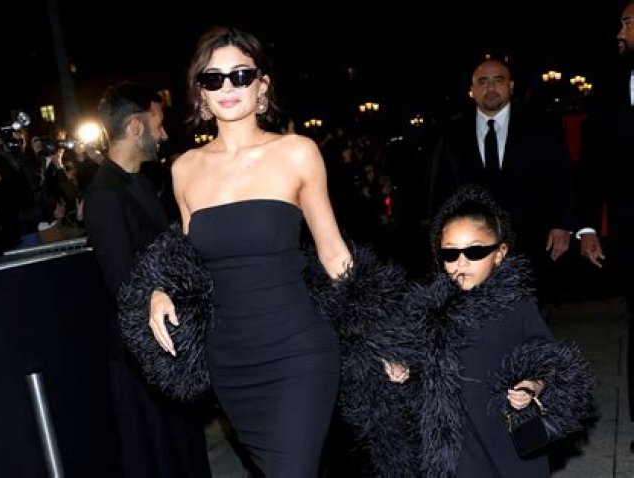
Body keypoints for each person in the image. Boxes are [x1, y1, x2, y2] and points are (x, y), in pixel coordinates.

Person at [121, 27, 353, 477]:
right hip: (230, 359)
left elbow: (333, 254)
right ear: (200, 92)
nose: (228, 87)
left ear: (262, 85)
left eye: (241, 75)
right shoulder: (185, 168)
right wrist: (158, 289)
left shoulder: (297, 153)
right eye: (214, 78)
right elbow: (189, 260)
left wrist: (379, 337)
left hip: (299, 350)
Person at [380, 185, 594, 477]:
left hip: (508, 435)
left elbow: (548, 360)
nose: (462, 262)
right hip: (459, 443)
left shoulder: (516, 305)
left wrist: (532, 386)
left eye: (475, 251)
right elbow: (417, 363)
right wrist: (403, 370)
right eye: (450, 253)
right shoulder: (430, 310)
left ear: (499, 253)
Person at [83, 81, 211, 478]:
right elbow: (122, 281)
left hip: (166, 347)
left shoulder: (139, 182)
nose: (164, 133)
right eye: (158, 123)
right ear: (135, 127)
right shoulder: (104, 195)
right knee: (159, 457)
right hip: (141, 354)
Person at [426, 56, 576, 300]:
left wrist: (562, 224)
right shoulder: (452, 135)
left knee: (528, 309)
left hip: (531, 241)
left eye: (498, 80)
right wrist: (438, 239)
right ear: (472, 90)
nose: (490, 88)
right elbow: (439, 190)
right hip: (471, 250)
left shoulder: (540, 127)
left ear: (511, 86)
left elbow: (562, 178)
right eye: (482, 82)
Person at [577, 0, 634, 447]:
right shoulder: (611, 85)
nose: (620, 32)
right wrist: (587, 227)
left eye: (627, 23)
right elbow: (592, 161)